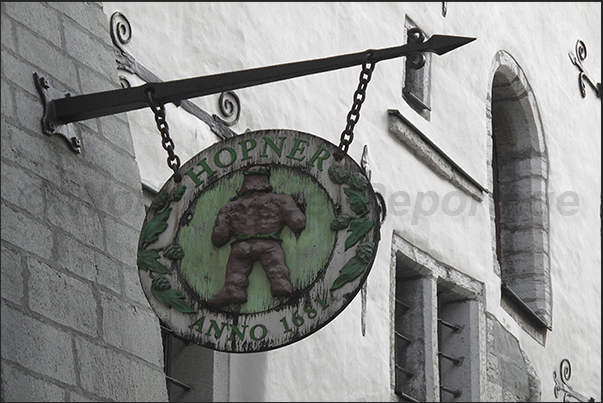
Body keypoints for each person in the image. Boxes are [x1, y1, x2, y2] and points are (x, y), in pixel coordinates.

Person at [208, 165, 306, 307]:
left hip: (241, 247)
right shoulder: (281, 200)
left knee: (235, 275)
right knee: (277, 272)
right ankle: (280, 284)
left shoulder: (230, 207)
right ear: (265, 181)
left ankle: (234, 290)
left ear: (245, 184)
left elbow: (218, 238)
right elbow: (298, 223)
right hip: (269, 245)